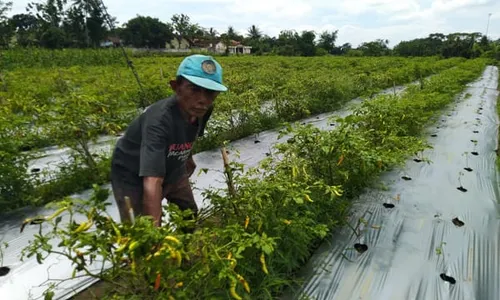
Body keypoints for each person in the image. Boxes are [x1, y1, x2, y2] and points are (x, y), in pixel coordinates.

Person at [110, 54, 228, 228]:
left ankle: (184, 251)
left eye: (210, 92)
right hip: (132, 173)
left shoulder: (204, 109)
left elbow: (190, 133)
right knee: (140, 229)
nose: (203, 99)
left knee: (188, 214)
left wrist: (187, 157)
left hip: (172, 164)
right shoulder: (158, 121)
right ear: (176, 87)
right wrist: (155, 233)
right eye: (194, 89)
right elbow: (152, 180)